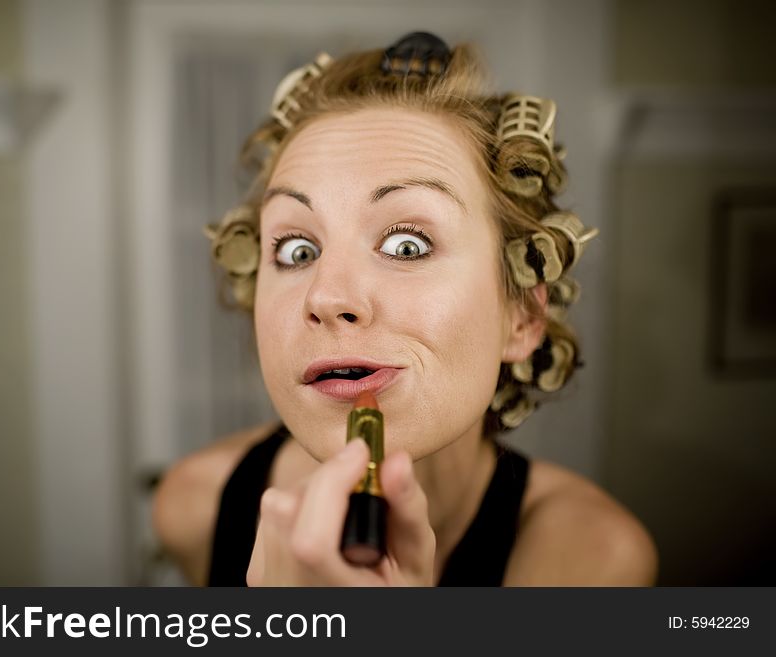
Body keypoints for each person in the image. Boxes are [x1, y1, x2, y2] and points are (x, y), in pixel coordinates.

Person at [153, 32, 657, 586]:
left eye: (407, 245)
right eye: (297, 251)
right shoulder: (195, 506)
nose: (327, 297)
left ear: (522, 318)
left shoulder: (592, 560)